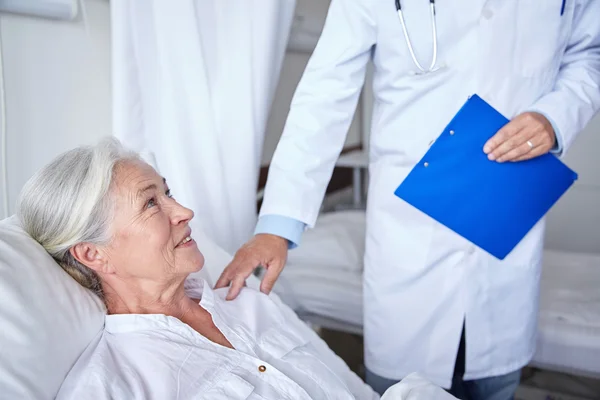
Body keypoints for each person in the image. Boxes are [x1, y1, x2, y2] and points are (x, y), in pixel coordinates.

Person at [215, 1, 600, 399]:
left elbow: (590, 53)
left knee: (496, 383)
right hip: (411, 242)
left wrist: (555, 117)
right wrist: (277, 227)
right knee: (403, 387)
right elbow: (324, 96)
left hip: (506, 232)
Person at [16, 138, 384, 400]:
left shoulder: (247, 301)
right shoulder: (115, 385)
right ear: (93, 254)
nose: (184, 212)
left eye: (168, 193)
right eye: (150, 204)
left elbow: (358, 391)